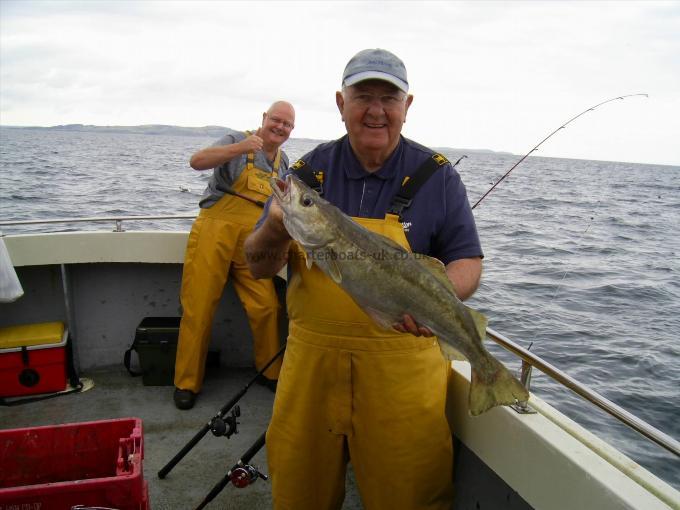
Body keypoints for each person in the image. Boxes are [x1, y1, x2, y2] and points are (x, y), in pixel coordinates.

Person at [244, 50, 483, 509]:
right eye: (363, 96)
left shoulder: (438, 177)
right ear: (340, 102)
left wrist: (434, 299)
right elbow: (257, 266)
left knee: (408, 495)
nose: (376, 110)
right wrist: (276, 223)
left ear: (407, 106)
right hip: (310, 367)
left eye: (388, 98)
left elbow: (468, 262)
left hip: (404, 368)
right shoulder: (305, 175)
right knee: (299, 490)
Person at [173, 101, 295, 410]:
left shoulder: (283, 162)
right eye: (276, 120)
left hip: (252, 239)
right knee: (198, 307)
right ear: (264, 119)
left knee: (266, 306)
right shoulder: (234, 140)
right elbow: (197, 161)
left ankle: (269, 372)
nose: (280, 127)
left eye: (287, 125)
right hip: (214, 231)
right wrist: (241, 147)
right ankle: (186, 383)